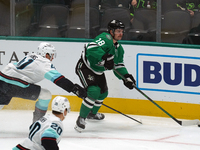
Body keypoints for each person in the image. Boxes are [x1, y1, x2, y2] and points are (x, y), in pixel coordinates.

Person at [74, 19, 136, 132]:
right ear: (111, 31)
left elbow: (118, 66)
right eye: (118, 31)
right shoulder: (105, 38)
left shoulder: (119, 49)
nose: (120, 34)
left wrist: (126, 77)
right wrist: (104, 56)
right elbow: (91, 48)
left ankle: (92, 114)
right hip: (86, 67)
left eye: (122, 31)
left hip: (98, 71)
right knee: (93, 91)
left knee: (103, 93)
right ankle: (81, 118)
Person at [0, 42, 86, 122]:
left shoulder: (31, 55)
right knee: (46, 95)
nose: (52, 58)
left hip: (2, 79)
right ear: (47, 54)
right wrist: (75, 89)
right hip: (15, 84)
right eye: (52, 55)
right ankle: (37, 123)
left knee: (2, 100)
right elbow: (59, 80)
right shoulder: (44, 63)